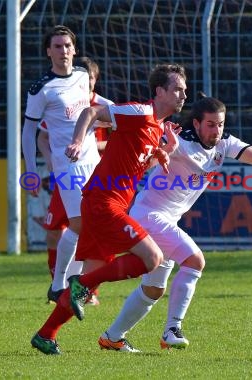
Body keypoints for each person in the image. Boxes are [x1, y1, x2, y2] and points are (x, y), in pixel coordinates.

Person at [97, 96, 252, 352]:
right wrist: (164, 148)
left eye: (220, 124)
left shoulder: (224, 144)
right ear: (197, 124)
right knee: (195, 260)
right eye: (211, 125)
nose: (217, 131)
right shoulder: (181, 142)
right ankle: (172, 330)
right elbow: (146, 160)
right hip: (149, 215)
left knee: (153, 289)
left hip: (165, 219)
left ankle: (112, 337)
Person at [30, 63, 187, 355]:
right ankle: (78, 284)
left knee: (92, 278)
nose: (183, 95)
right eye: (177, 89)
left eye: (184, 91)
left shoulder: (156, 129)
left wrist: (164, 153)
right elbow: (91, 112)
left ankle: (45, 334)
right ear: (160, 91)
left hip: (104, 202)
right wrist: (78, 141)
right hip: (103, 202)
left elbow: (138, 164)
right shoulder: (140, 113)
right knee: (152, 258)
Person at [21, 26, 98, 305]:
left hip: (93, 161)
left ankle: (70, 285)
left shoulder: (80, 76)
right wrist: (31, 169)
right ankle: (59, 285)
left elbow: (89, 113)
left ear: (74, 49)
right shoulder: (41, 88)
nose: (63, 51)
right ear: (48, 52)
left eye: (67, 45)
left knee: (92, 224)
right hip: (67, 166)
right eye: (57, 46)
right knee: (79, 224)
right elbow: (29, 132)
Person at [37, 55, 114, 305]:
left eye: (89, 79)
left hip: (95, 174)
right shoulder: (62, 102)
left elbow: (117, 140)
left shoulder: (105, 105)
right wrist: (50, 160)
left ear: (95, 80)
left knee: (86, 228)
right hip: (68, 175)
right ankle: (59, 283)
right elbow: (42, 136)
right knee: (57, 231)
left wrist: (95, 143)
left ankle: (79, 287)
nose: (85, 84)